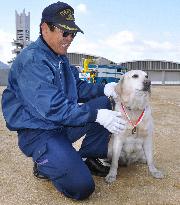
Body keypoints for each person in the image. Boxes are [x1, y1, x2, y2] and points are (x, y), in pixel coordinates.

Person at [1, 1, 126, 200]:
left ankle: (88, 156)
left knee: (104, 101)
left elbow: (77, 87)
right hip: (38, 132)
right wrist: (95, 115)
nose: (69, 38)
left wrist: (104, 88)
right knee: (82, 187)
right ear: (44, 28)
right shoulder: (32, 60)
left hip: (60, 125)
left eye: (73, 33)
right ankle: (46, 165)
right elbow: (53, 108)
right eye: (64, 32)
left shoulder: (60, 57)